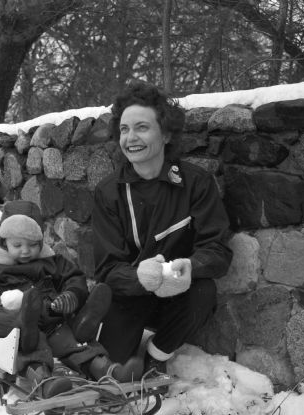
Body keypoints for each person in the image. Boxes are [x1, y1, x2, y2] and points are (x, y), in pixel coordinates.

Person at [0, 200, 143, 415]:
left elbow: (74, 277)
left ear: (41, 240)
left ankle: (111, 371)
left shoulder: (51, 261)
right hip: (15, 325)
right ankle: (46, 383)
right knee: (31, 345)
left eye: (33, 245)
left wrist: (71, 296)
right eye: (18, 245)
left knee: (73, 342)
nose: (26, 251)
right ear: (4, 242)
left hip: (51, 318)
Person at [92, 82, 233, 374]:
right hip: (129, 295)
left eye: (142, 127)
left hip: (176, 294)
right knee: (110, 369)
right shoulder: (108, 192)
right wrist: (138, 277)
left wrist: (191, 266)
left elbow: (217, 250)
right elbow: (106, 268)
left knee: (204, 292)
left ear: (166, 133)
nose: (131, 137)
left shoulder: (196, 182)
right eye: (124, 129)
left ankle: (157, 354)